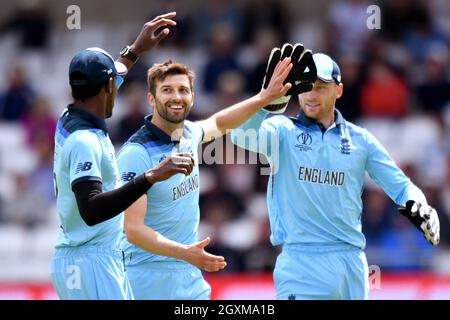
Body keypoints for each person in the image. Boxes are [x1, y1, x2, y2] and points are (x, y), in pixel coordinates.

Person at [231, 44, 441, 300]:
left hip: (351, 262)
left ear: (338, 90)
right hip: (301, 263)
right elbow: (240, 136)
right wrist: (264, 101)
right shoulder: (282, 130)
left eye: (320, 87)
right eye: (305, 86)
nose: (311, 95)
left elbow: (400, 185)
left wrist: (420, 206)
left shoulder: (360, 139)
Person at [116, 55, 294, 299]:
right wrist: (185, 252)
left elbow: (220, 122)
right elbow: (133, 230)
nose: (176, 97)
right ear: (151, 98)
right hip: (147, 277)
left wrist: (264, 98)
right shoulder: (135, 154)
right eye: (167, 90)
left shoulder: (188, 133)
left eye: (183, 90)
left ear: (192, 98)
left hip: (188, 272)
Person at [51, 12, 198, 300]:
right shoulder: (84, 141)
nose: (116, 87)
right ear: (107, 88)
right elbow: (91, 210)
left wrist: (135, 50)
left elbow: (112, 73)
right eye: (113, 84)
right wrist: (151, 176)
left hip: (86, 258)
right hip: (90, 260)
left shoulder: (70, 117)